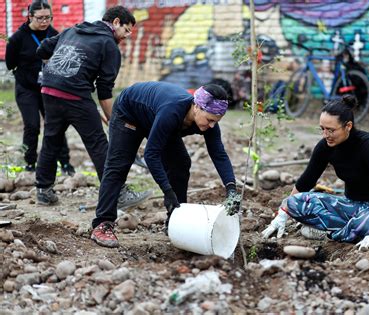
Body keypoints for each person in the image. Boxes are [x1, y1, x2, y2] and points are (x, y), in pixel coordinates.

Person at [90, 81, 240, 248]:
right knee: (118, 165)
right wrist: (167, 190)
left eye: (215, 121)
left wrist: (231, 189)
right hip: (130, 111)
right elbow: (151, 154)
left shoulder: (208, 123)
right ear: (197, 106)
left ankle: (176, 220)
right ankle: (102, 224)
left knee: (180, 162)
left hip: (156, 117)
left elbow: (219, 154)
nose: (211, 125)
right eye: (210, 120)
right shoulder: (173, 111)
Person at [35, 5, 150, 208]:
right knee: (98, 143)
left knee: (51, 139)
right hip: (75, 95)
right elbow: (104, 92)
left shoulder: (73, 30)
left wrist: (56, 71)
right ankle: (118, 194)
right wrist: (116, 122)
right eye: (127, 29)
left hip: (49, 90)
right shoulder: (109, 46)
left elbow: (42, 49)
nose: (128, 35)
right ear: (115, 22)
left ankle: (43, 191)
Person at [262, 95, 369, 250]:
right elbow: (306, 181)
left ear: (348, 126)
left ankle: (331, 233)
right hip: (349, 206)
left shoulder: (367, 144)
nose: (325, 135)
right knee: (294, 202)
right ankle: (348, 231)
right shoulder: (325, 147)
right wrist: (283, 215)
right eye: (322, 129)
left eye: (331, 130)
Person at [5, 1, 74, 175]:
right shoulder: (17, 38)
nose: (45, 21)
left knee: (55, 125)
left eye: (48, 17)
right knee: (32, 126)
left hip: (49, 88)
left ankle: (65, 163)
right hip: (26, 88)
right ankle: (30, 163)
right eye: (40, 18)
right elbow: (10, 63)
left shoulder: (54, 34)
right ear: (30, 17)